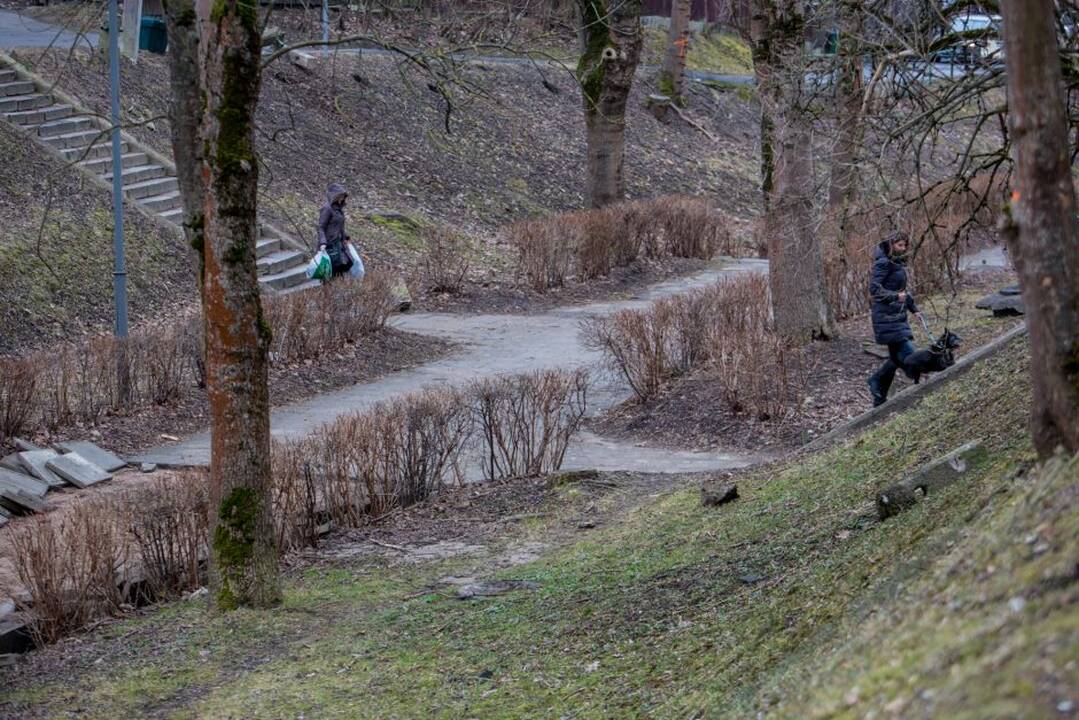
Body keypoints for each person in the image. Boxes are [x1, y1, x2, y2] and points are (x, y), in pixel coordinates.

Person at [867, 231, 924, 407]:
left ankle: (878, 389)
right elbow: (874, 289)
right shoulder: (883, 263)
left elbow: (902, 292)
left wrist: (914, 309)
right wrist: (894, 297)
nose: (903, 248)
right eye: (900, 245)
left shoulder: (895, 263)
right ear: (891, 245)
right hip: (886, 317)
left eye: (905, 245)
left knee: (896, 358)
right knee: (910, 354)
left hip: (897, 316)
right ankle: (921, 391)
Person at [317, 182, 353, 279]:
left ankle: (337, 292)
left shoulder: (338, 208)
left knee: (341, 270)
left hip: (339, 245)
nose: (342, 198)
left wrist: (345, 236)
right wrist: (323, 242)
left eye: (343, 196)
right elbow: (321, 227)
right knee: (329, 274)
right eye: (340, 196)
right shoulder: (327, 209)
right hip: (328, 246)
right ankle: (328, 293)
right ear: (335, 196)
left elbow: (338, 226)